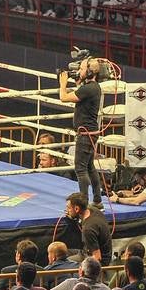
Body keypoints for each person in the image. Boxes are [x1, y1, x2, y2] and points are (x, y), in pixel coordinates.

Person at [58, 56, 106, 208]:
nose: (79, 71)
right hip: (90, 132)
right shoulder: (93, 87)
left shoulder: (88, 89)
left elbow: (63, 97)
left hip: (85, 134)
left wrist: (63, 83)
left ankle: (83, 203)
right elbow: (80, 94)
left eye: (82, 69)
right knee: (89, 166)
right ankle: (97, 200)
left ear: (91, 73)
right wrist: (79, 82)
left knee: (80, 168)